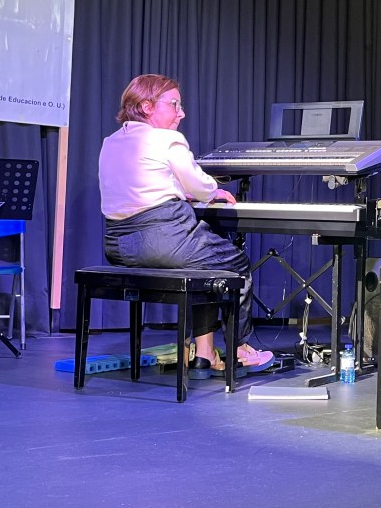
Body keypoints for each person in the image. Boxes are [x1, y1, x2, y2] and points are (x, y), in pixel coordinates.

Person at [98, 74, 272, 377]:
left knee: (206, 267)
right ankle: (240, 348)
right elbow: (199, 185)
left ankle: (204, 354)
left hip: (118, 246)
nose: (182, 113)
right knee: (235, 262)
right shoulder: (166, 139)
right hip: (164, 240)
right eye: (174, 104)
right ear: (147, 106)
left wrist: (183, 192)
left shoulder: (111, 142)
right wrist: (212, 191)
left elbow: (139, 185)